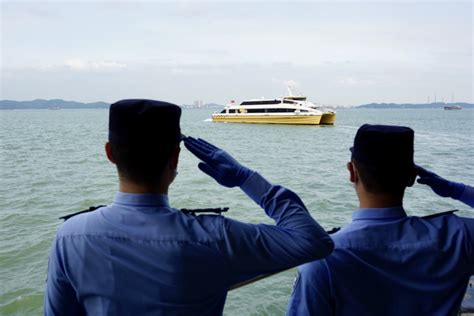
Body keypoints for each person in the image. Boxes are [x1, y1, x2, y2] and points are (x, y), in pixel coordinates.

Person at [44, 99, 334, 315]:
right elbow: (313, 242)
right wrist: (246, 178)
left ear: (110, 153)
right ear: (176, 157)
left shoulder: (70, 236)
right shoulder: (215, 236)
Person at [287, 124, 474, 316]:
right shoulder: (460, 236)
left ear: (352, 172)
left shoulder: (323, 259)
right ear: (411, 178)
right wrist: (456, 190)